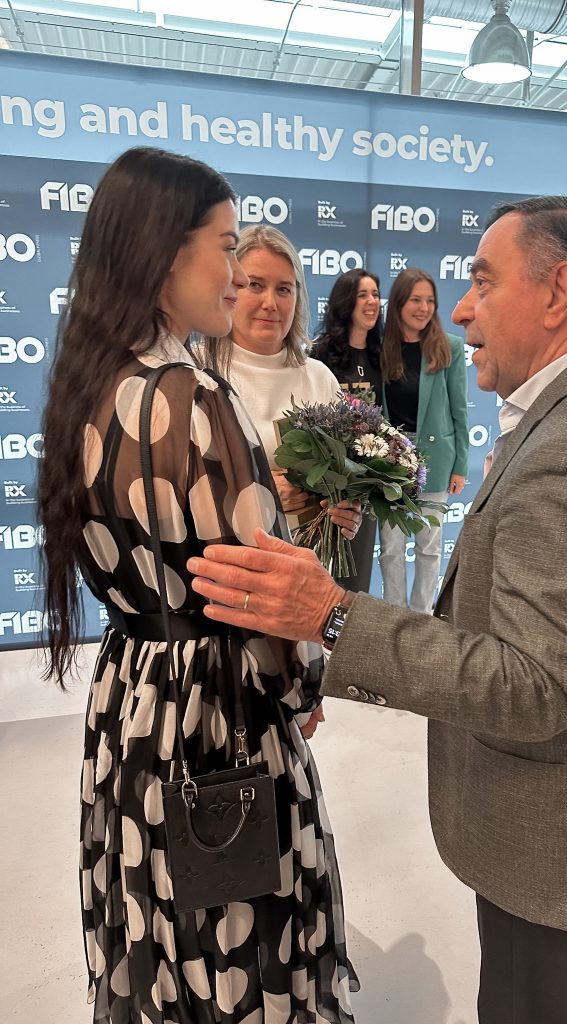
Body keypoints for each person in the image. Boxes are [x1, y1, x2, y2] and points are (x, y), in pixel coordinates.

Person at [188, 196, 567, 1024]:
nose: (463, 309)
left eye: (483, 281)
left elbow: (531, 687)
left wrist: (333, 615)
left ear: (558, 291)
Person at [38, 146, 357, 1024]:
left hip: (134, 696)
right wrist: (300, 686)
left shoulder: (90, 384)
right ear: (166, 250)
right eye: (224, 246)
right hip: (217, 705)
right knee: (238, 927)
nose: (234, 272)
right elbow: (258, 589)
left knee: (158, 912)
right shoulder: (194, 396)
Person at [203, 224, 360, 543]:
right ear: (230, 287)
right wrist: (259, 493)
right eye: (255, 285)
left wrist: (349, 510)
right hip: (223, 561)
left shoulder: (319, 378)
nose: (270, 302)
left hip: (309, 560)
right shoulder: (197, 371)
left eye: (284, 289)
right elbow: (171, 490)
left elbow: (344, 481)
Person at [377, 268, 469, 612]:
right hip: (389, 460)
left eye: (430, 300)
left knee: (429, 547)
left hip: (436, 459)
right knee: (391, 547)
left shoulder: (449, 347)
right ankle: (394, 615)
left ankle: (419, 618)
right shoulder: (381, 348)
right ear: (399, 303)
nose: (424, 307)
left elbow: (460, 410)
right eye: (416, 299)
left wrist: (460, 466)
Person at [313, 268, 384, 593]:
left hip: (364, 482)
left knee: (358, 573)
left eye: (375, 295)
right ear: (346, 302)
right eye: (363, 295)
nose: (372, 302)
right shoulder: (320, 354)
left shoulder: (380, 354)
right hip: (325, 483)